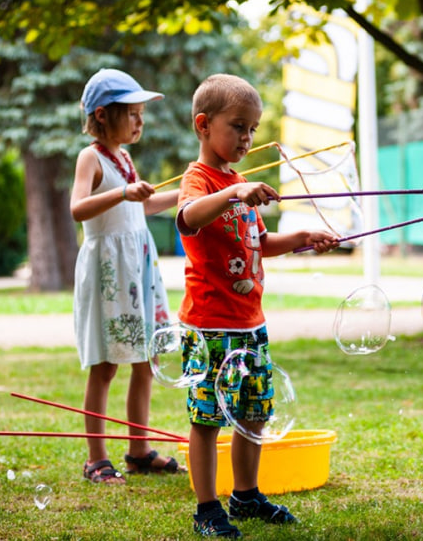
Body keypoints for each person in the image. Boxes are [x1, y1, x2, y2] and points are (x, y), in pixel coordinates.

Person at [176, 74, 339, 538]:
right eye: (238, 126)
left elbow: (260, 243)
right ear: (204, 126)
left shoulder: (238, 182)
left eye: (252, 129)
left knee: (253, 412)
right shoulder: (201, 178)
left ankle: (245, 496)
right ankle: (207, 509)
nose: (247, 138)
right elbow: (187, 217)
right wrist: (232, 193)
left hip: (250, 323)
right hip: (209, 325)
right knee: (206, 419)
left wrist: (303, 238)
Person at [71, 68, 183, 484]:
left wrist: (192, 191)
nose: (140, 121)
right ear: (103, 115)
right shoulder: (92, 157)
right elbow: (77, 208)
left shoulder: (125, 158)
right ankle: (95, 459)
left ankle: (139, 450)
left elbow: (142, 207)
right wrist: (121, 192)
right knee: (105, 367)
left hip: (138, 266)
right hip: (110, 273)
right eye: (132, 113)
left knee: (145, 360)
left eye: (141, 114)